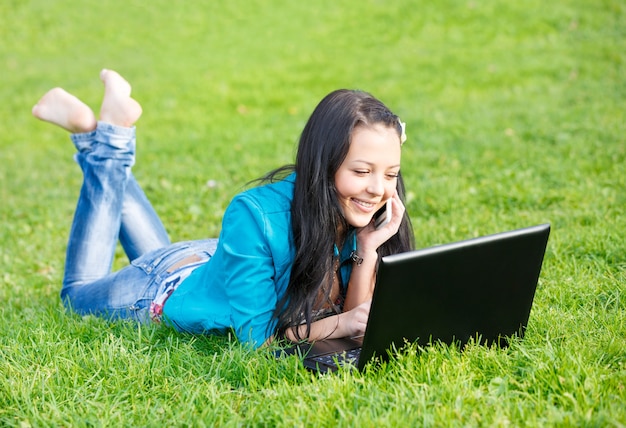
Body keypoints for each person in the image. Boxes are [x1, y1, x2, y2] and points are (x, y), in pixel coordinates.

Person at [32, 69, 415, 348]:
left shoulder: (360, 216)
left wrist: (367, 248)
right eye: (362, 171)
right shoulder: (256, 215)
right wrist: (341, 323)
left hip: (215, 263)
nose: (378, 189)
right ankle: (103, 135)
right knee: (75, 295)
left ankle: (99, 134)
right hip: (163, 287)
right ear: (323, 163)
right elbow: (259, 340)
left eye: (390, 174)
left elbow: (362, 321)